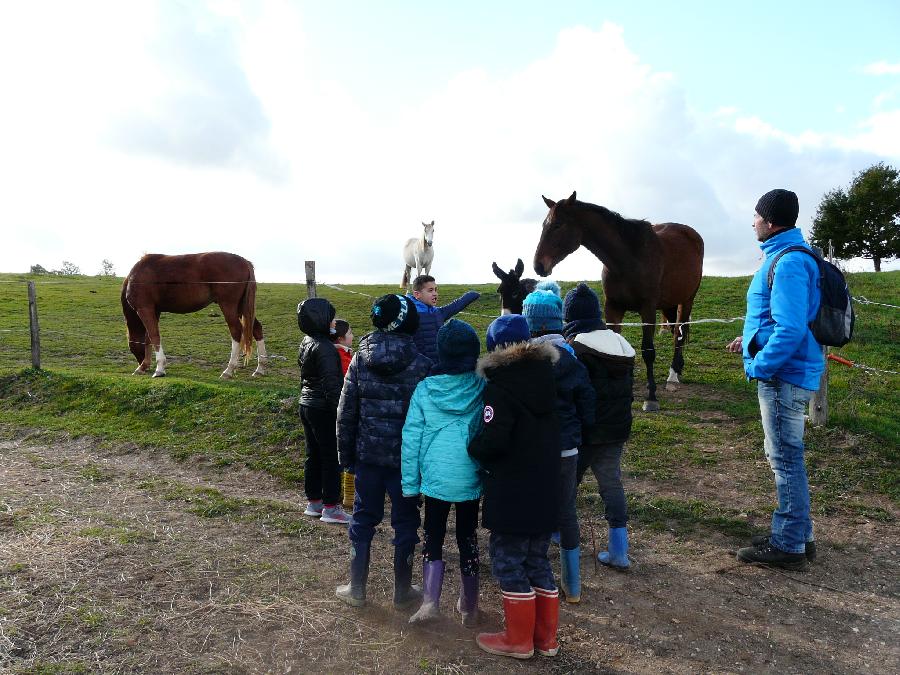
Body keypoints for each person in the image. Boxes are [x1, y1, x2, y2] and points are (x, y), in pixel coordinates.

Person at [726, 189, 824, 571]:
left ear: (770, 221)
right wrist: (749, 340)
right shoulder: (784, 257)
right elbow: (775, 320)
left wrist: (760, 365)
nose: (752, 222)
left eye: (756, 217)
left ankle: (788, 545)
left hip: (783, 374)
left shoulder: (787, 263)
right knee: (784, 456)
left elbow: (791, 329)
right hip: (786, 370)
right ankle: (800, 534)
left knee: (785, 459)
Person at [468, 314, 562, 659]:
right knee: (538, 559)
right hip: (546, 488)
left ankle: (518, 640)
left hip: (513, 489)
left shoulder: (501, 386)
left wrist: (473, 447)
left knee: (508, 560)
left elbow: (494, 440)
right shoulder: (548, 378)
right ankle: (545, 639)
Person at [335, 294, 433, 608]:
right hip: (407, 462)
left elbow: (346, 411)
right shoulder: (422, 365)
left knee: (363, 518)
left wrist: (346, 456)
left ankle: (357, 587)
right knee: (406, 522)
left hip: (368, 457)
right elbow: (429, 420)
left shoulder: (360, 359)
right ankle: (402, 593)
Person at [401, 319, 485, 626]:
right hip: (469, 477)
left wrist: (410, 486)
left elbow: (411, 439)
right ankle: (469, 606)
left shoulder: (425, 390)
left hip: (434, 480)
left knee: (433, 536)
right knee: (468, 538)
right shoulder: (482, 387)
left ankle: (430, 602)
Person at [522, 286, 595, 603]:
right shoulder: (572, 359)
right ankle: (573, 585)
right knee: (566, 512)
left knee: (532, 510)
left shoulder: (524, 362)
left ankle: (528, 578)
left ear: (531, 325)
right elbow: (588, 405)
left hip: (534, 452)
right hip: (567, 450)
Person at [562, 283, 636, 570]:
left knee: (568, 486)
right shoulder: (621, 344)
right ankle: (619, 549)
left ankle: (560, 533)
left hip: (586, 432)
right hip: (617, 429)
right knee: (612, 484)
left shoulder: (577, 347)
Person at [297, 298, 352, 525]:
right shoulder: (326, 349)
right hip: (323, 408)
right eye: (330, 317)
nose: (332, 322)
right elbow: (333, 385)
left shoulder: (306, 341)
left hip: (306, 404)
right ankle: (331, 507)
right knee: (330, 457)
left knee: (313, 455)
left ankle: (314, 501)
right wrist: (340, 413)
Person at [406, 274, 480, 362]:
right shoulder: (408, 314)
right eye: (430, 290)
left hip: (440, 366)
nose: (435, 294)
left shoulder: (438, 312)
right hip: (420, 369)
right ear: (417, 294)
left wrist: (473, 294)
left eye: (435, 290)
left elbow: (456, 305)